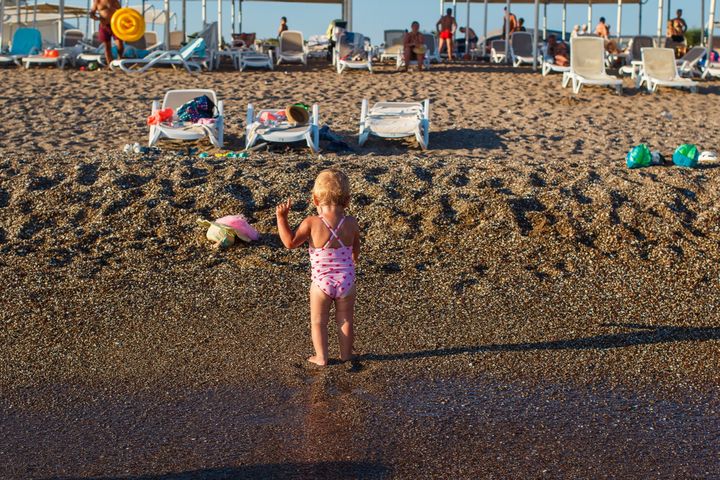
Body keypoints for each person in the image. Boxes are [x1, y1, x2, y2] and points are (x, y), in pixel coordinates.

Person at [276, 169, 360, 367]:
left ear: (315, 200)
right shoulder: (351, 222)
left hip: (321, 282)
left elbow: (289, 243)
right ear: (347, 201)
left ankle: (321, 357)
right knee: (345, 319)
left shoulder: (312, 223)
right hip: (346, 281)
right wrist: (351, 261)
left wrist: (282, 218)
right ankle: (346, 355)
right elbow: (355, 250)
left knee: (318, 321)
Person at [89, 0, 123, 66]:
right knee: (107, 46)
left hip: (115, 25)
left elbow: (121, 11)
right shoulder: (97, 1)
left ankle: (119, 59)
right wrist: (96, 18)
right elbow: (91, 13)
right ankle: (109, 64)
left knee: (120, 44)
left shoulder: (114, 1)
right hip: (104, 26)